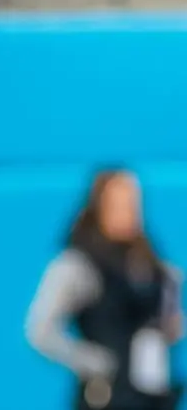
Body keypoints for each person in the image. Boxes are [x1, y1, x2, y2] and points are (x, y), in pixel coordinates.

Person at [26, 169, 184, 410]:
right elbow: (41, 332)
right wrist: (96, 363)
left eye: (133, 202)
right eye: (119, 203)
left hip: (152, 396)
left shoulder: (149, 263)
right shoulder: (78, 265)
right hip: (107, 398)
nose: (129, 211)